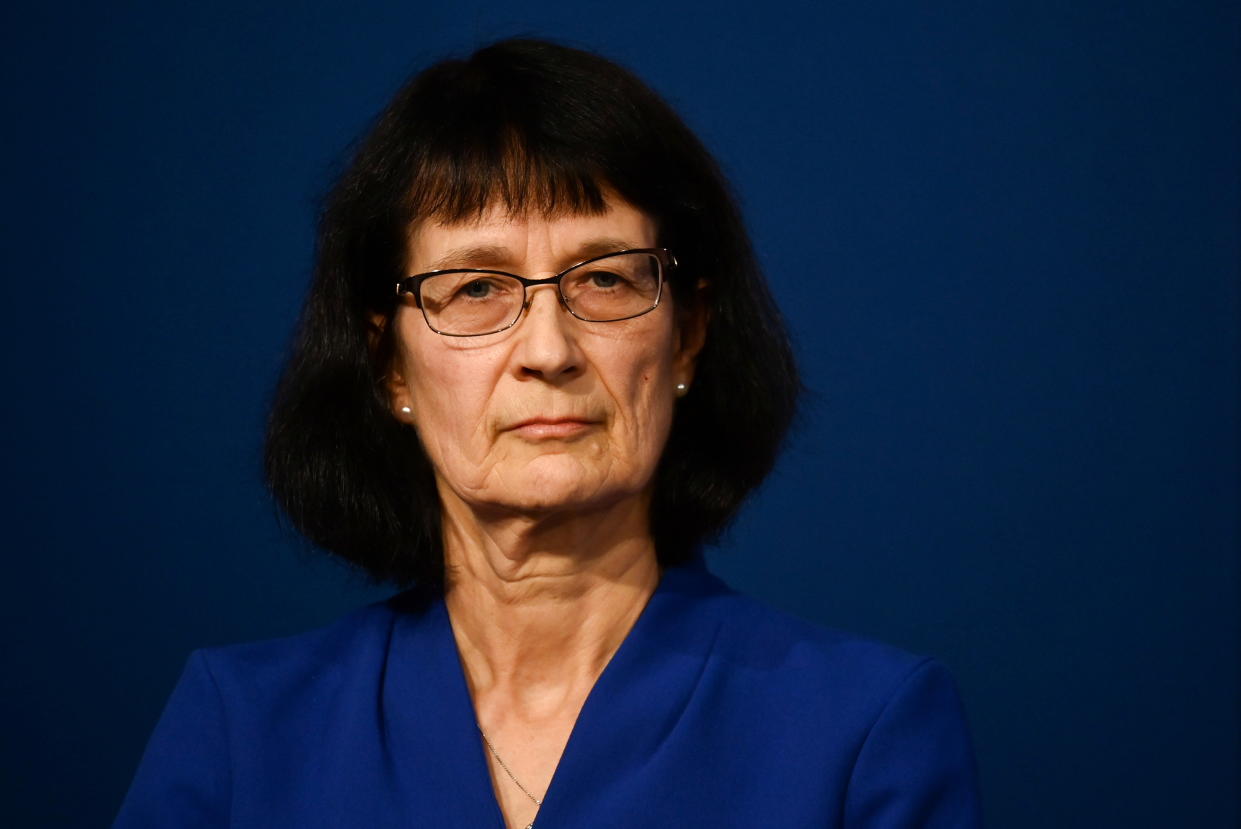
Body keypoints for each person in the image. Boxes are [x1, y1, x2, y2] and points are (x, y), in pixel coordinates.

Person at [114, 38, 982, 828]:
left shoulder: (863, 727)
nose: (547, 350)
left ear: (685, 335)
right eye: (476, 289)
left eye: (603, 278)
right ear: (388, 367)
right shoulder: (241, 728)